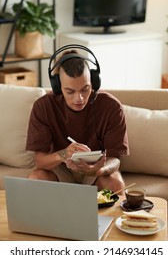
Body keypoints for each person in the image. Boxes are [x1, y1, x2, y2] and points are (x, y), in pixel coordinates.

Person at [26, 44, 129, 193]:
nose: (79, 98)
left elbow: (115, 159)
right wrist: (63, 155)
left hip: (96, 170)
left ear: (94, 82)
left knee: (115, 184)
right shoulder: (43, 107)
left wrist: (98, 169)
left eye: (85, 89)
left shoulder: (111, 107)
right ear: (58, 87)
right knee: (36, 179)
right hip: (61, 169)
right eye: (70, 91)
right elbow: (39, 161)